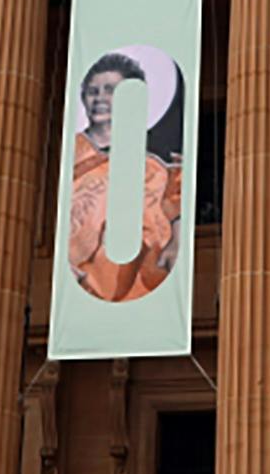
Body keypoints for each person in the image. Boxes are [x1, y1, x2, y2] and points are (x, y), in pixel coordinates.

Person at [67, 53, 183, 302]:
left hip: (125, 284)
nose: (99, 98)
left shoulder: (154, 170)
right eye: (92, 91)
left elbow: (161, 231)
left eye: (110, 90)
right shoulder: (69, 154)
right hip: (71, 284)